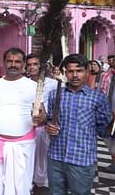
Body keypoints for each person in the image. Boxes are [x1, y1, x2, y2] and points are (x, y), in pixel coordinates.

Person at [0, 47, 45, 195]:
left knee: (20, 187)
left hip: (24, 146)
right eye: (9, 61)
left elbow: (43, 114)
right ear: (4, 62)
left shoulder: (34, 87)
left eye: (17, 62)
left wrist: (41, 117)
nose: (13, 64)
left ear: (23, 65)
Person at [46, 54, 111, 195]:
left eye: (79, 71)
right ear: (65, 73)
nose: (75, 75)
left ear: (87, 72)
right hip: (55, 157)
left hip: (81, 160)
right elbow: (50, 119)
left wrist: (111, 124)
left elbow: (104, 132)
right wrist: (48, 126)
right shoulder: (55, 95)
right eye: (70, 71)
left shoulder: (98, 98)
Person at [26, 53, 58, 194]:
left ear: (42, 66)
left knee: (42, 162)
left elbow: (57, 108)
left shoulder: (53, 84)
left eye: (35, 64)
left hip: (44, 129)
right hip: (26, 129)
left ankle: (40, 189)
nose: (32, 67)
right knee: (27, 161)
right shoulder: (24, 83)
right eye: (29, 64)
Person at [99, 54, 115, 172]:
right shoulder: (107, 75)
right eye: (111, 60)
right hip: (108, 110)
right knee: (108, 137)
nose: (111, 62)